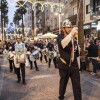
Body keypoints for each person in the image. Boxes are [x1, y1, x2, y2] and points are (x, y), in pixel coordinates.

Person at [57, 19, 82, 100]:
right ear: (63, 28)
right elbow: (62, 44)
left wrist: (79, 67)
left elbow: (77, 54)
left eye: (70, 27)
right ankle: (61, 97)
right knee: (63, 84)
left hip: (74, 65)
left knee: (77, 86)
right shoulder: (60, 37)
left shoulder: (74, 38)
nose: (70, 29)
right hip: (64, 65)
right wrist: (71, 34)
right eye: (67, 27)